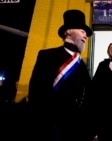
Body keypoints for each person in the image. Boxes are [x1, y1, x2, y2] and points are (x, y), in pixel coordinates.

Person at [27, 9, 95, 141]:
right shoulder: (47, 56)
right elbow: (35, 93)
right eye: (82, 31)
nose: (86, 36)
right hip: (50, 129)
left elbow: (87, 99)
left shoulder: (82, 65)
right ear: (68, 31)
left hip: (75, 131)